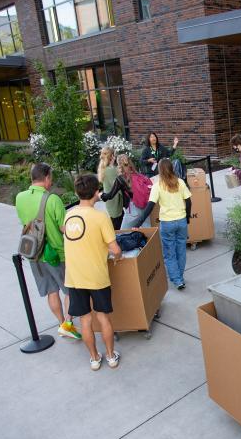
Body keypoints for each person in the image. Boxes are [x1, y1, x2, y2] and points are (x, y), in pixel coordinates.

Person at [15, 162, 82, 341]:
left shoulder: (19, 197)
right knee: (68, 290)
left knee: (51, 291)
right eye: (50, 178)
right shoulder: (52, 199)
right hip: (56, 255)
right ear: (46, 178)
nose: (51, 182)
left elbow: (24, 221)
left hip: (34, 254)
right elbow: (63, 228)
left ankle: (61, 323)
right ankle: (68, 324)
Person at [64, 173, 123, 371]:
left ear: (76, 192)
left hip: (74, 277)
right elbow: (115, 250)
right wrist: (117, 258)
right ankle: (111, 356)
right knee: (103, 317)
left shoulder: (69, 214)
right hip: (97, 276)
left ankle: (94, 358)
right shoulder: (100, 217)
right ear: (97, 193)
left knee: (85, 319)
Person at [129, 158, 191, 290]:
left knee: (169, 253)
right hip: (181, 221)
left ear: (160, 170)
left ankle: (177, 280)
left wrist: (138, 222)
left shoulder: (158, 186)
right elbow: (189, 202)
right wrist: (187, 219)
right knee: (181, 250)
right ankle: (180, 276)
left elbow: (150, 206)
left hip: (167, 223)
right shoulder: (180, 182)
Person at [97, 146, 125, 230]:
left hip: (111, 202)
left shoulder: (105, 169)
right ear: (112, 156)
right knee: (117, 227)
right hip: (115, 202)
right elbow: (118, 187)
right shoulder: (111, 170)